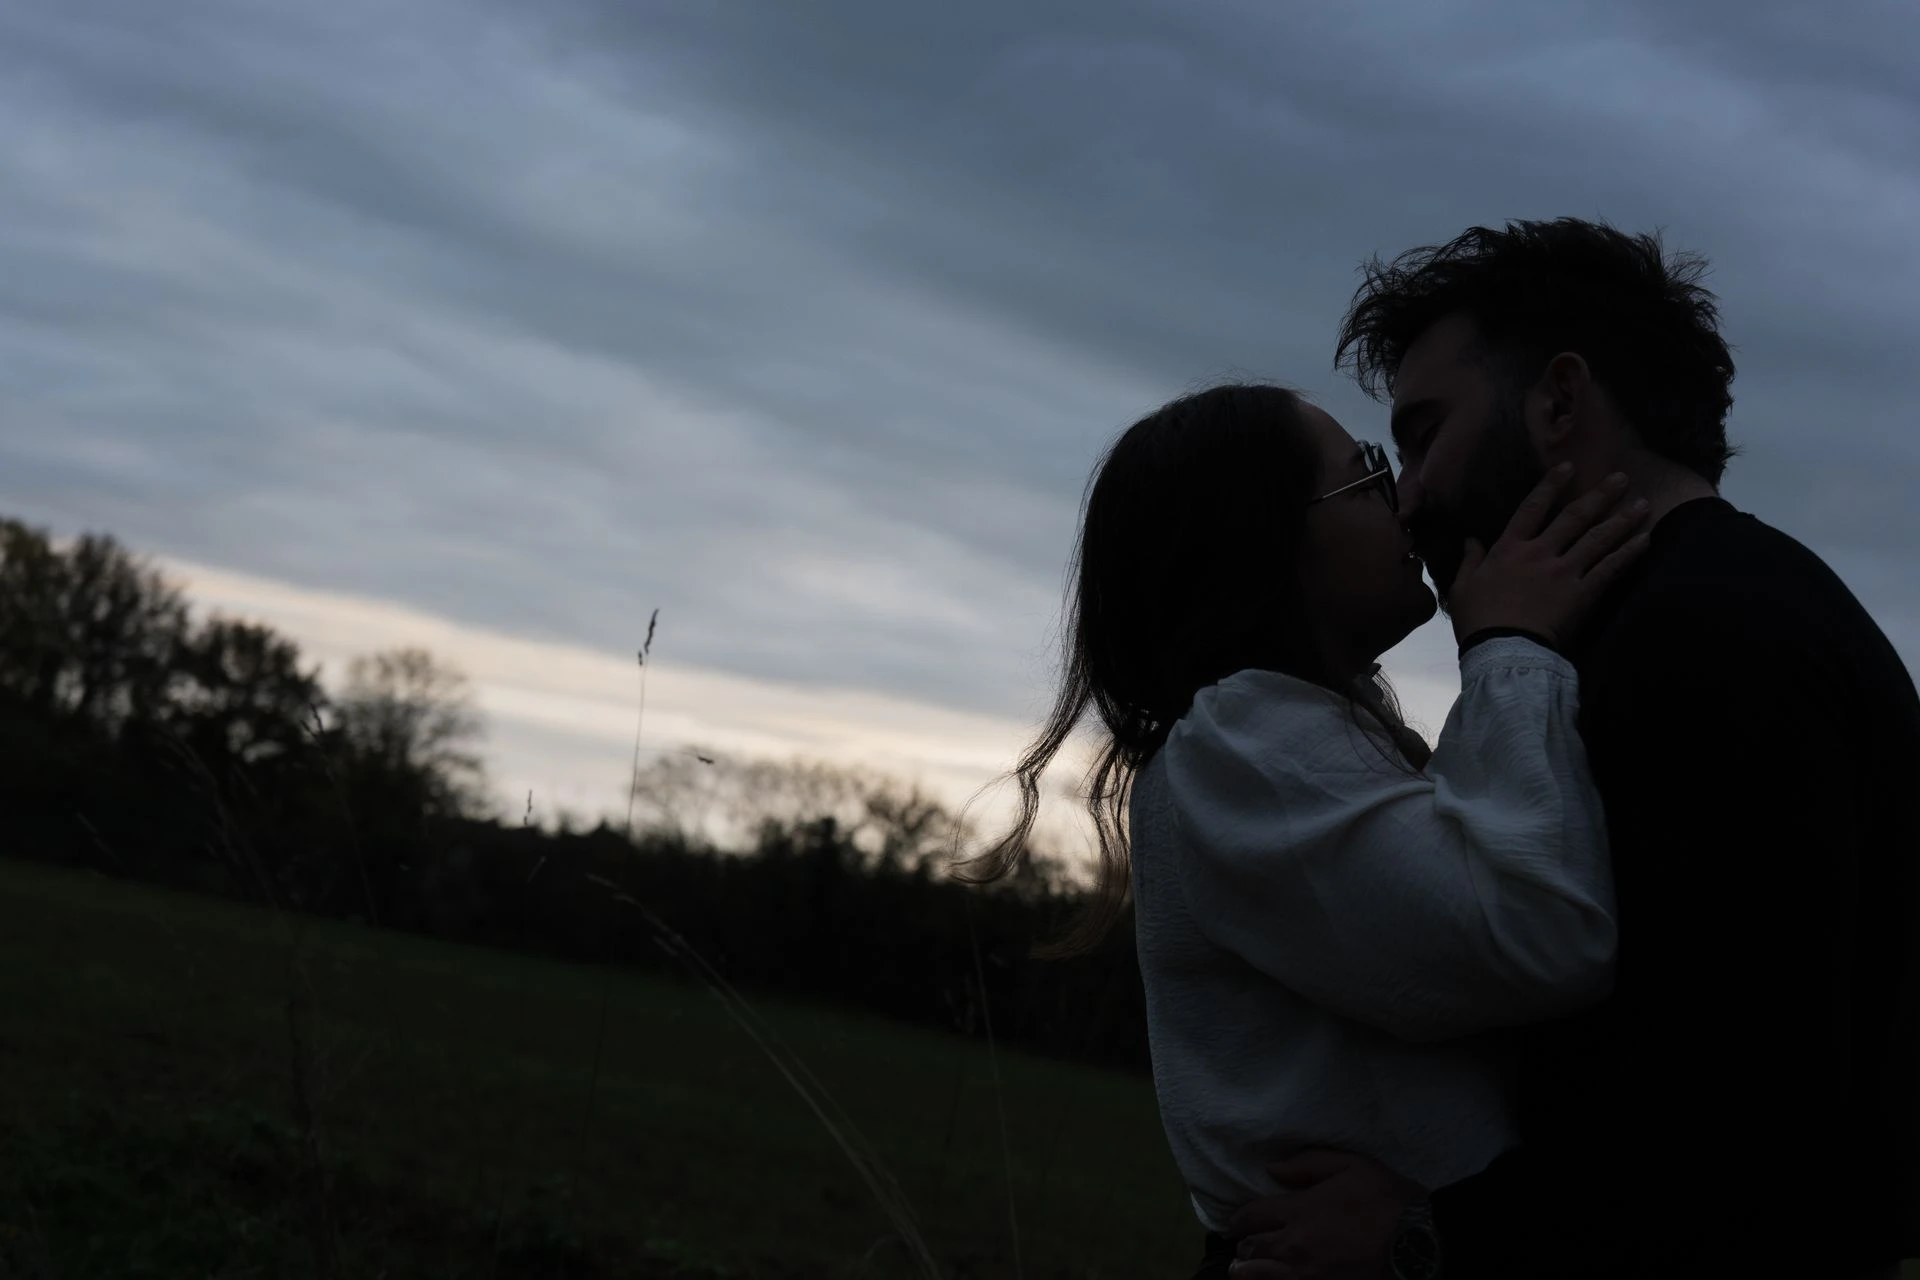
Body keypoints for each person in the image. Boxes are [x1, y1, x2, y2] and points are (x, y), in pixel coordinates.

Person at [1226, 218, 1920, 1279]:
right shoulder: (1734, 613)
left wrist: (1424, 1232)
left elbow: (1733, 1117)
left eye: (1423, 434)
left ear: (1558, 401)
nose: (1407, 497)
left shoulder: (1700, 645)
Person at [956, 379, 1653, 1278]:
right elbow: (1536, 933)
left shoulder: (1290, 737)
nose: (1402, 496)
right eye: (1364, 474)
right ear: (1264, 538)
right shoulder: (1241, 747)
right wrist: (1511, 648)